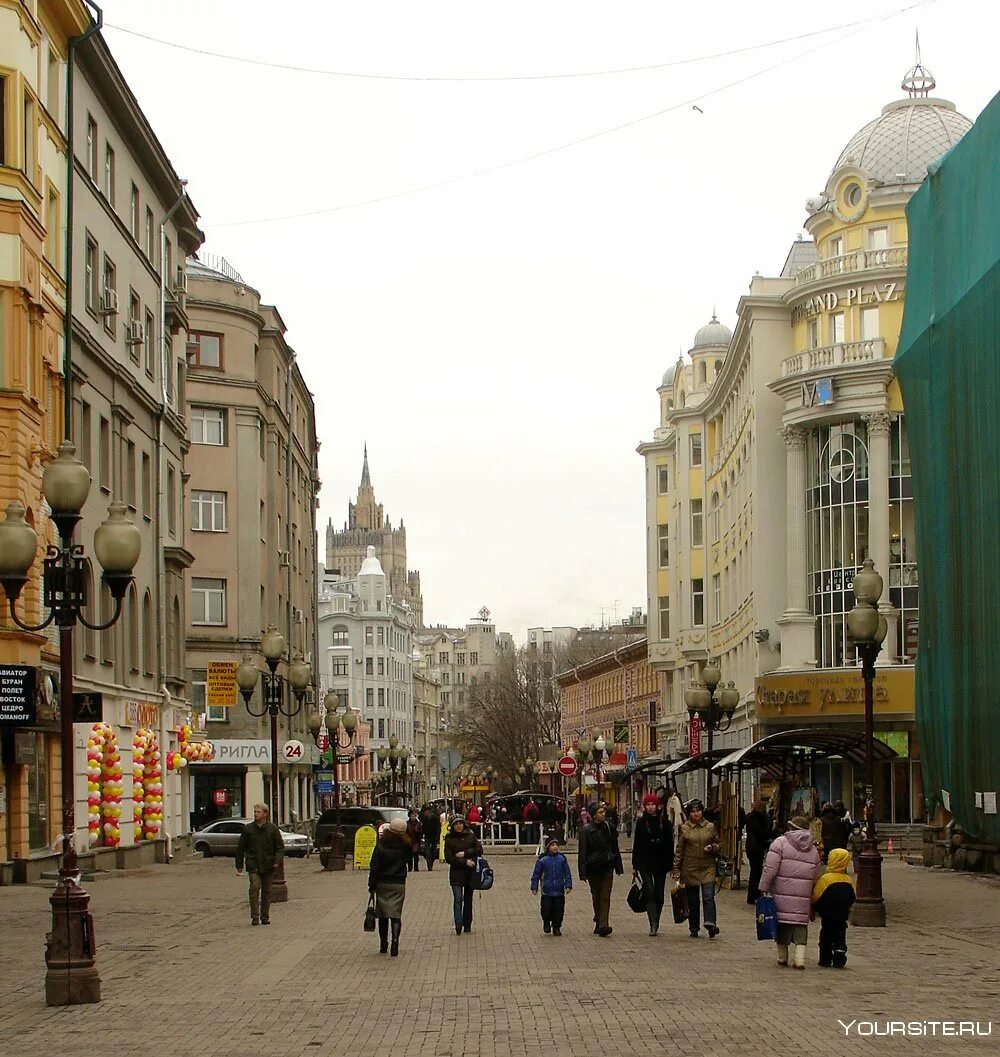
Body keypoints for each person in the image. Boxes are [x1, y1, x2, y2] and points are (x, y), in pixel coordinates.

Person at [759, 815, 823, 969]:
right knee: (800, 925)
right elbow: (817, 874)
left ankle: (782, 957)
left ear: (791, 827)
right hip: (803, 895)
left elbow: (770, 869)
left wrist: (763, 887)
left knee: (782, 923)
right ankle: (799, 959)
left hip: (782, 893)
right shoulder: (813, 849)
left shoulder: (780, 843)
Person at [672, 799, 720, 939]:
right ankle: (694, 927)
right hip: (690, 868)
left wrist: (713, 847)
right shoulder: (685, 828)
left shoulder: (710, 827)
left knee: (708, 897)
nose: (696, 814)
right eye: (693, 812)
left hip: (707, 867)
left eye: (698, 811)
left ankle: (711, 923)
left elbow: (718, 843)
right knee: (693, 900)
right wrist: (676, 869)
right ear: (689, 813)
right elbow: (679, 850)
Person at [631, 793, 674, 937]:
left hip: (661, 863)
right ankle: (652, 923)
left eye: (652, 804)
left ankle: (657, 919)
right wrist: (635, 865)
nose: (650, 807)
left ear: (657, 806)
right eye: (648, 805)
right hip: (645, 862)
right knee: (649, 891)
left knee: (659, 894)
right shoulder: (642, 823)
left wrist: (671, 863)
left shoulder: (665, 822)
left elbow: (670, 844)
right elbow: (637, 844)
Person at [578, 803, 623, 937]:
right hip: (593, 867)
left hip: (607, 866)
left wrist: (618, 866)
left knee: (605, 896)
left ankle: (604, 924)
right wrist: (583, 872)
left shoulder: (609, 827)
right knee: (596, 896)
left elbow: (615, 847)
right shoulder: (586, 830)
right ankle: (598, 918)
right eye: (600, 812)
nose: (603, 814)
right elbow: (582, 853)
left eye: (603, 812)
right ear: (593, 815)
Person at [235, 803, 284, 927]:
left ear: (265, 814)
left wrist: (276, 861)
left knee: (266, 891)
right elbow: (240, 848)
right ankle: (255, 916)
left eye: (258, 812)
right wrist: (239, 864)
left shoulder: (272, 829)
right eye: (255, 811)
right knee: (254, 888)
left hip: (268, 864)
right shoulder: (248, 829)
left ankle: (265, 916)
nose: (256, 814)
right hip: (253, 864)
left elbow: (279, 847)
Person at [367, 817, 410, 956]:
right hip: (398, 883)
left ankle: (383, 944)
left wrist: (371, 884)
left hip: (382, 883)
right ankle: (395, 943)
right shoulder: (405, 846)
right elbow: (409, 860)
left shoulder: (381, 845)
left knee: (383, 914)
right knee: (396, 914)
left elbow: (374, 867)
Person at [812, 848, 856, 968]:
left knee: (826, 935)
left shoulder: (825, 879)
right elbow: (852, 896)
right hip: (842, 915)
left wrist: (814, 906)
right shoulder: (848, 880)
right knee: (840, 936)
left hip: (827, 915)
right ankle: (839, 957)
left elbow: (816, 895)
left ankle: (825, 959)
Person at [444, 815, 483, 935]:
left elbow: (479, 850)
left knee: (468, 899)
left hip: (470, 874)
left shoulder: (470, 836)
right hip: (456, 873)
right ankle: (458, 923)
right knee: (458, 899)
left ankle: (467, 924)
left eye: (460, 823)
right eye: (456, 824)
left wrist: (465, 853)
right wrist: (465, 861)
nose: (458, 826)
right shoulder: (449, 839)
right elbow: (449, 858)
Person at [530, 836, 573, 935]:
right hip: (547, 891)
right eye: (552, 845)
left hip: (559, 890)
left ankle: (556, 927)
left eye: (556, 845)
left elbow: (567, 873)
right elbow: (536, 874)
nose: (555, 847)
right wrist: (534, 887)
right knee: (546, 909)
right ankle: (546, 922)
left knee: (559, 910)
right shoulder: (542, 859)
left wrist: (568, 885)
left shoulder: (562, 858)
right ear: (548, 847)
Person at [744, 800, 771, 904]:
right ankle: (753, 895)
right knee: (755, 872)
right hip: (756, 848)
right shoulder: (756, 818)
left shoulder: (751, 817)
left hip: (752, 847)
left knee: (755, 871)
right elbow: (762, 832)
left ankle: (753, 895)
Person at [419, 804, 441, 871]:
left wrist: (437, 836)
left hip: (434, 837)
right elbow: (421, 828)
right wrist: (421, 835)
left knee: (434, 852)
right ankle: (429, 865)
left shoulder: (434, 817)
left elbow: (438, 827)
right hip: (427, 837)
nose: (426, 813)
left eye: (427, 811)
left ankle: (431, 862)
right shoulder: (423, 819)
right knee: (427, 852)